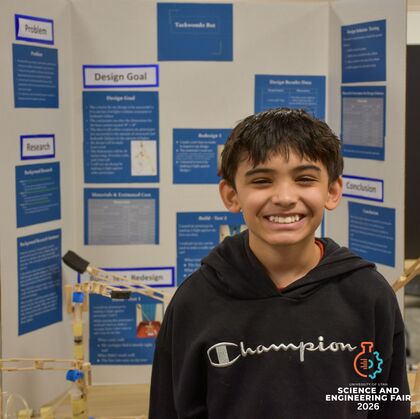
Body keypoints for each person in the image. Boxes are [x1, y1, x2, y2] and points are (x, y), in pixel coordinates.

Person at [149, 108, 410, 418]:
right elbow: (169, 408)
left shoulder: (368, 294)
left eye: (305, 179)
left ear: (332, 191)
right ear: (232, 195)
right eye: (262, 181)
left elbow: (386, 406)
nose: (285, 197)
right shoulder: (194, 302)